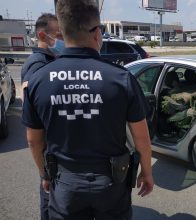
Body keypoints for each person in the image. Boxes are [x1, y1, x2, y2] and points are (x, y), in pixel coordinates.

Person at [22, 0, 154, 219]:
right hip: (112, 182)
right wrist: (147, 172)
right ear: (97, 33)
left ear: (63, 33)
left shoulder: (38, 80)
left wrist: (44, 174)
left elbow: (33, 141)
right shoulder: (121, 78)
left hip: (65, 182)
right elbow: (142, 139)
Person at [20, 13, 63, 220]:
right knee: (49, 205)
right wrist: (43, 171)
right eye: (58, 34)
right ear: (42, 35)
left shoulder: (52, 60)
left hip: (57, 152)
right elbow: (34, 133)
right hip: (50, 154)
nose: (63, 38)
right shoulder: (36, 65)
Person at [21, 13, 64, 91]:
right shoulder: (38, 62)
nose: (63, 40)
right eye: (59, 36)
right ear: (43, 36)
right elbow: (25, 88)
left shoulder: (48, 58)